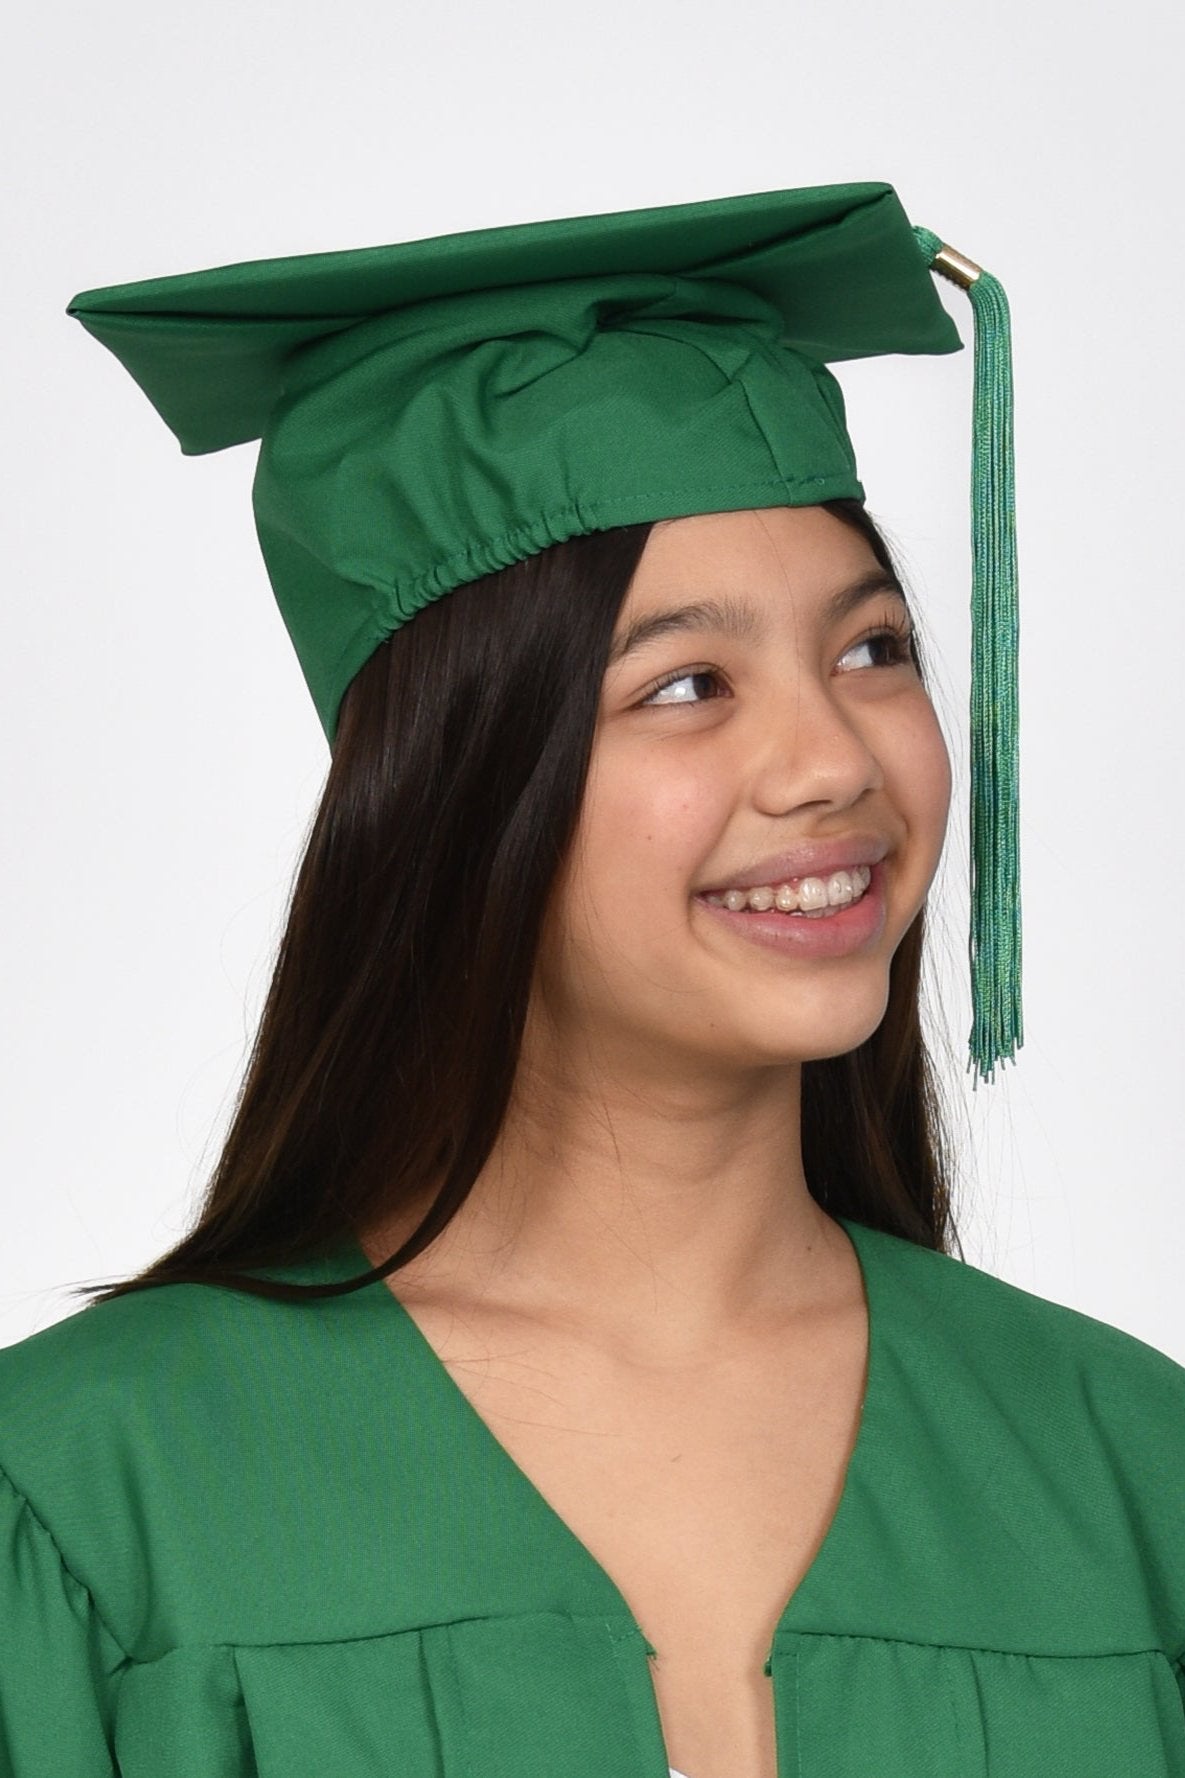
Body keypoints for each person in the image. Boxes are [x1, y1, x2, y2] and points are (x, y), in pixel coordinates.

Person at [1, 181, 1182, 1778]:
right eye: (687, 684)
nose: (830, 761)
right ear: (455, 785)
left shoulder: (1126, 1469)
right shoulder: (88, 1494)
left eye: (872, 650)